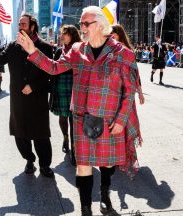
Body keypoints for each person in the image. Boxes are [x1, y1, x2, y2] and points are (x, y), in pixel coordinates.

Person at [17, 6, 140, 216]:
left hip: (109, 121)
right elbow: (54, 67)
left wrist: (121, 120)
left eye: (85, 23)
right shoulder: (76, 50)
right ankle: (86, 210)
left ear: (100, 26)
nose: (81, 27)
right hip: (82, 119)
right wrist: (32, 51)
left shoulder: (123, 54)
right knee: (83, 166)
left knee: (107, 166)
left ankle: (104, 195)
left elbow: (130, 92)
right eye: (80, 23)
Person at [0, 14, 54, 178]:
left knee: (41, 136)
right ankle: (29, 161)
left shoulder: (45, 47)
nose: (20, 26)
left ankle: (45, 165)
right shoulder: (12, 46)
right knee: (20, 135)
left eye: (24, 24)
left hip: (37, 99)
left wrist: (33, 86)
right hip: (18, 101)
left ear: (32, 27)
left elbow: (50, 75)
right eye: (19, 24)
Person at [110, 24, 143, 179]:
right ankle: (117, 156)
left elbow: (136, 74)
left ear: (119, 34)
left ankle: (127, 157)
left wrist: (141, 94)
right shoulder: (109, 50)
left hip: (127, 95)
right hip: (113, 95)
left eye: (113, 34)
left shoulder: (127, 51)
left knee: (126, 125)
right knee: (115, 126)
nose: (111, 36)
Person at [50, 25, 82, 166]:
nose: (62, 36)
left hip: (75, 87)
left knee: (74, 120)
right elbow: (53, 68)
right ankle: (65, 137)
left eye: (65, 34)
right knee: (63, 117)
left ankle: (75, 151)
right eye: (62, 34)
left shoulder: (80, 49)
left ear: (72, 35)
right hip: (61, 87)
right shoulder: (58, 51)